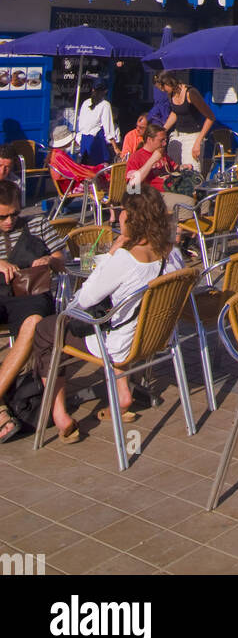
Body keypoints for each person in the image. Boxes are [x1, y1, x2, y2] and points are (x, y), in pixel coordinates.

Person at [32, 186, 185, 440]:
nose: (119, 215)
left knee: (47, 330)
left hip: (121, 344)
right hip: (155, 338)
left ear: (132, 217)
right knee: (119, 317)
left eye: (123, 211)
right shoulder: (174, 254)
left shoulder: (126, 259)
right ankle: (122, 392)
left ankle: (59, 415)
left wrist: (112, 253)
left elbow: (82, 300)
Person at [0, 179, 66, 442]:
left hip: (30, 296)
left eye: (14, 214)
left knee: (35, 322)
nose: (9, 221)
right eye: (2, 216)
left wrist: (50, 259)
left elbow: (62, 259)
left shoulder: (37, 223)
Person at [164, 77, 215, 168]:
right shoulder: (171, 94)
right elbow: (176, 112)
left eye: (162, 87)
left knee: (191, 171)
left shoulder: (191, 93)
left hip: (192, 136)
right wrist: (163, 130)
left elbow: (210, 117)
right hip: (177, 135)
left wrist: (198, 142)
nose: (162, 90)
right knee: (174, 170)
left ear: (168, 82)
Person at [76, 80, 120, 165]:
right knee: (99, 168)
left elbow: (80, 125)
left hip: (83, 141)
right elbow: (108, 129)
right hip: (96, 141)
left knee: (86, 167)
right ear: (105, 91)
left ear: (93, 90)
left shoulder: (85, 103)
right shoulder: (105, 105)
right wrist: (115, 147)